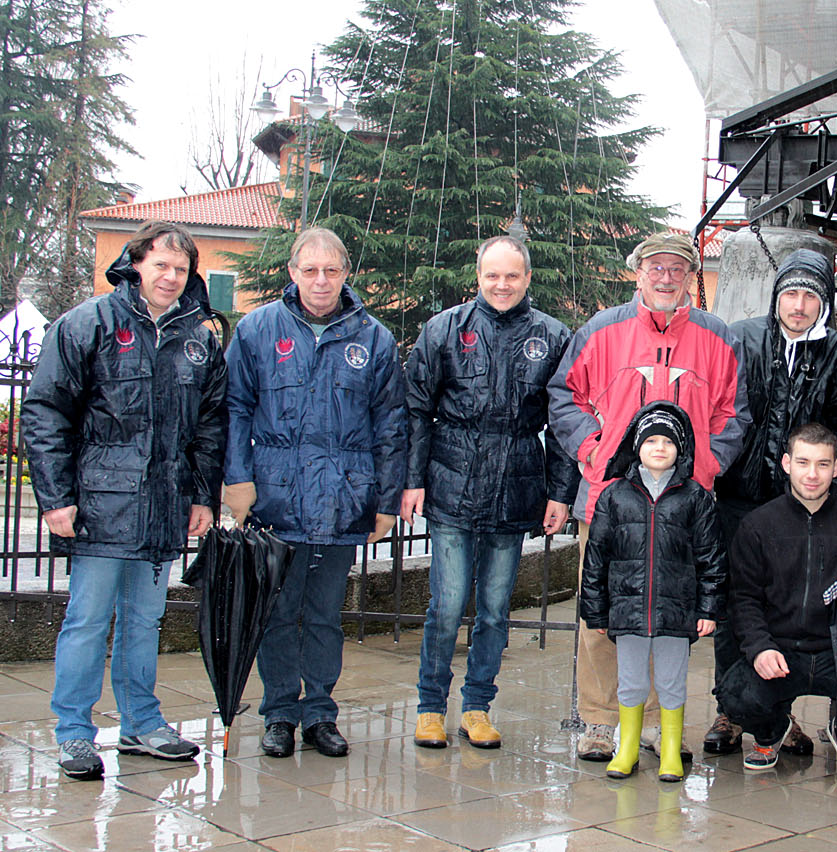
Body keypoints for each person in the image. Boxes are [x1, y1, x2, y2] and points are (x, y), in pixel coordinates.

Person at [22, 221, 227, 780]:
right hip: (99, 506)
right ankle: (73, 731)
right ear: (136, 263)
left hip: (164, 507)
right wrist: (56, 498)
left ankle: (141, 722)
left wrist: (202, 495)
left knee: (145, 620)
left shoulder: (199, 339)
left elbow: (210, 425)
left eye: (180, 268)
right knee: (88, 620)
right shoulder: (87, 324)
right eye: (161, 264)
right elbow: (46, 413)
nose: (170, 277)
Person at [548, 231, 750, 761]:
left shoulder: (716, 336)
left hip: (683, 507)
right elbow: (564, 395)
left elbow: (734, 413)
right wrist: (593, 449)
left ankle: (660, 724)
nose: (666, 278)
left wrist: (705, 467)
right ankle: (600, 720)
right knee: (601, 613)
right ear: (637, 273)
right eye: (655, 268)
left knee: (672, 617)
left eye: (677, 269)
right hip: (610, 501)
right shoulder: (601, 330)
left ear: (690, 277)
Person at [222, 227, 407, 760]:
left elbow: (391, 425)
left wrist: (386, 502)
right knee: (277, 613)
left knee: (325, 615)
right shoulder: (258, 329)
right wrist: (237, 479)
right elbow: (234, 408)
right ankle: (280, 712)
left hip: (342, 501)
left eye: (331, 270)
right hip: (275, 500)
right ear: (293, 273)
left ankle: (320, 713)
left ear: (346, 273)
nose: (321, 280)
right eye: (310, 270)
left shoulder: (374, 338)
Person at [403, 236, 576, 750]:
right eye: (492, 276)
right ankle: (430, 707)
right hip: (451, 479)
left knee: (496, 609)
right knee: (447, 605)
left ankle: (477, 706)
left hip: (515, 483)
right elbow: (416, 408)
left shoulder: (552, 335)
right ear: (478, 277)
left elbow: (564, 421)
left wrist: (560, 493)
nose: (502, 285)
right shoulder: (444, 329)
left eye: (512, 276)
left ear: (527, 278)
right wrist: (412, 480)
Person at [703, 248, 837, 756]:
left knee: (790, 608)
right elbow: (719, 409)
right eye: (790, 294)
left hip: (801, 504)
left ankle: (781, 713)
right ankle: (732, 709)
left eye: (809, 296)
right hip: (740, 495)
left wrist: (834, 500)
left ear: (824, 303)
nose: (799, 305)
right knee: (735, 605)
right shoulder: (743, 338)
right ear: (776, 297)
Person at [717, 423, 837, 778]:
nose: (812, 474)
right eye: (803, 462)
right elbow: (743, 598)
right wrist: (759, 648)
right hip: (780, 649)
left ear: (836, 468)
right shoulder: (758, 525)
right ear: (786, 463)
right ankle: (771, 732)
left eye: (822, 464)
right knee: (734, 694)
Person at [580, 401, 725, 782]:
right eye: (651, 440)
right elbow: (596, 558)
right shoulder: (615, 496)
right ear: (636, 446)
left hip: (676, 612)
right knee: (631, 681)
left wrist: (708, 609)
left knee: (672, 682)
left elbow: (711, 557)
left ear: (681, 448)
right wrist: (595, 610)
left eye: (668, 441)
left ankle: (670, 750)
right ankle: (627, 747)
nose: (660, 448)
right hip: (628, 610)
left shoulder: (695, 498)